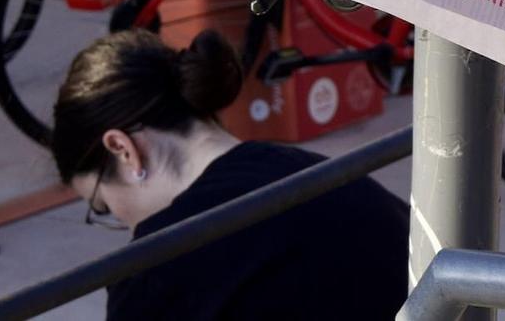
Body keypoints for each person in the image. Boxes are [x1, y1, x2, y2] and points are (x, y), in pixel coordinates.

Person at [54, 29, 409, 321]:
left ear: (123, 150)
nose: (120, 221)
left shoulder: (156, 271)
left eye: (102, 205)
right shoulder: (318, 174)